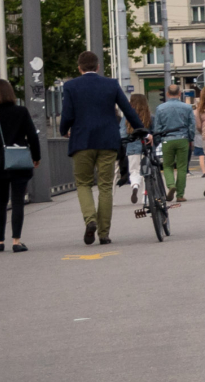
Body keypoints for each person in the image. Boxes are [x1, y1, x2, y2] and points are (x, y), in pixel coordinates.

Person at [58, 51, 147, 246]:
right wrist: (142, 130)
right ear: (97, 67)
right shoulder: (111, 84)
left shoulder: (71, 86)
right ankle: (104, 233)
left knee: (83, 184)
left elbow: (67, 114)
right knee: (106, 186)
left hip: (81, 142)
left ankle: (90, 220)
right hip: (108, 142)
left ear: (79, 67)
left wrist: (63, 130)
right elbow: (128, 110)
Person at [0, 79, 42, 254]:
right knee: (18, 201)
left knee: (0, 201)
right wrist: (36, 157)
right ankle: (16, 241)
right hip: (19, 162)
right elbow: (33, 137)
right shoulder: (21, 111)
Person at [152, 89, 199, 207]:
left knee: (167, 165)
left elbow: (157, 127)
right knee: (182, 167)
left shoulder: (160, 108)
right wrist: (190, 138)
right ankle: (180, 194)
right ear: (179, 94)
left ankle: (171, 185)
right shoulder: (187, 108)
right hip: (183, 139)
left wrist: (158, 141)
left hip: (167, 139)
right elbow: (192, 125)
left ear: (167, 94)